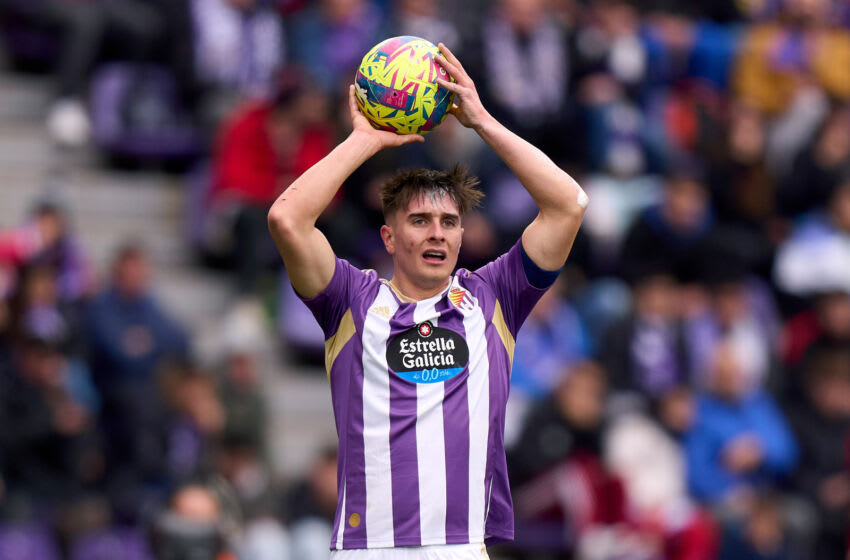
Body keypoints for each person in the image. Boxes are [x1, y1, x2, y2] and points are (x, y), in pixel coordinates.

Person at [267, 43, 587, 557]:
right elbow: (287, 219)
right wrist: (364, 141)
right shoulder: (349, 298)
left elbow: (568, 205)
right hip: (368, 547)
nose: (437, 234)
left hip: (461, 548)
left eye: (449, 222)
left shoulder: (494, 296)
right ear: (389, 238)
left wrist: (481, 121)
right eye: (419, 221)